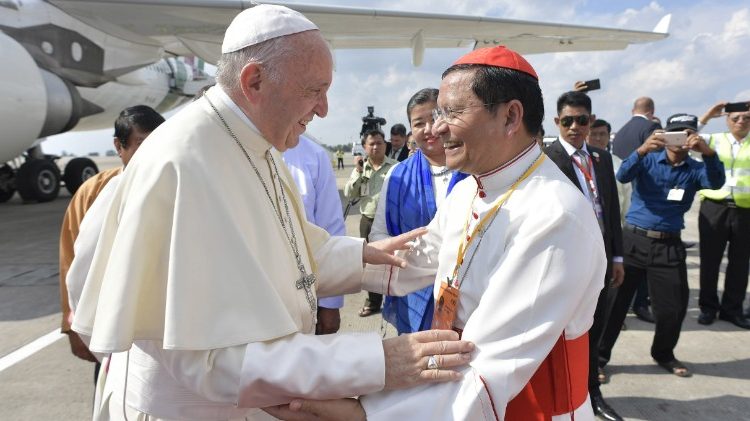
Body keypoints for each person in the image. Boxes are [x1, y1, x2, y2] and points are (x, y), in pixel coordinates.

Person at [71, 6, 473, 420]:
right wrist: (377, 361)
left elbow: (286, 254)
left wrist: (362, 256)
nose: (324, 110)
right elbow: (211, 359)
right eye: (314, 90)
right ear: (255, 81)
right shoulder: (183, 164)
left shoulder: (259, 146)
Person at [269, 45, 607, 421]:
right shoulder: (469, 189)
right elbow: (405, 264)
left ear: (511, 116)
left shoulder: (554, 215)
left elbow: (487, 370)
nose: (436, 128)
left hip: (518, 406)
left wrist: (364, 414)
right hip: (448, 390)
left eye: (452, 112)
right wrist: (291, 271)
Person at [600, 113, 725, 379]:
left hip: (668, 244)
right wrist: (641, 150)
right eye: (675, 132)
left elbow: (715, 183)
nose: (680, 138)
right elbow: (622, 175)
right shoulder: (647, 159)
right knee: (615, 305)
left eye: (687, 133)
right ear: (664, 135)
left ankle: (663, 353)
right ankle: (599, 358)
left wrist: (709, 153)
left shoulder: (695, 168)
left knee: (673, 308)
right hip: (634, 240)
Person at [59, 105, 164, 377]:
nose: (153, 152)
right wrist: (72, 325)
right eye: (142, 143)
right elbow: (72, 261)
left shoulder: (175, 186)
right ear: (119, 146)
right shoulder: (94, 192)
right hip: (108, 328)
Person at [544, 91, 624, 421]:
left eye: (581, 120)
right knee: (566, 333)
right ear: (557, 122)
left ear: (591, 121)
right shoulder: (547, 160)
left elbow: (612, 209)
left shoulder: (601, 158)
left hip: (602, 261)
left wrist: (617, 257)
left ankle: (592, 393)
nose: (574, 126)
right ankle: (563, 396)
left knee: (595, 330)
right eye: (567, 121)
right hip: (567, 263)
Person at [369, 88, 468, 334]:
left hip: (467, 297)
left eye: (435, 118)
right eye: (419, 123)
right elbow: (379, 235)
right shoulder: (397, 176)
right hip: (412, 294)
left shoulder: (475, 171)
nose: (429, 129)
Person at [282, 135, 346, 334]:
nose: (320, 111)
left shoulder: (314, 155)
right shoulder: (230, 148)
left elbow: (331, 230)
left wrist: (331, 302)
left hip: (304, 294)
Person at [696, 102, 750, 329]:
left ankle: (732, 309)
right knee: (710, 261)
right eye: (735, 118)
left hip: (745, 210)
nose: (740, 121)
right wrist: (708, 115)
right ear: (727, 120)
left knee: (740, 263)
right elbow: (687, 136)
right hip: (714, 207)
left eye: (746, 118)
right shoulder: (716, 139)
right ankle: (708, 307)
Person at [344, 129, 398, 317]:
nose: (376, 147)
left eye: (379, 143)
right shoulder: (361, 168)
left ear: (386, 145)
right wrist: (359, 171)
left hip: (390, 221)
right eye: (371, 144)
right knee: (370, 264)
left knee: (395, 261)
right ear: (365, 147)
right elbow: (350, 194)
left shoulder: (395, 167)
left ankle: (397, 301)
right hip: (367, 220)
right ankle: (374, 302)